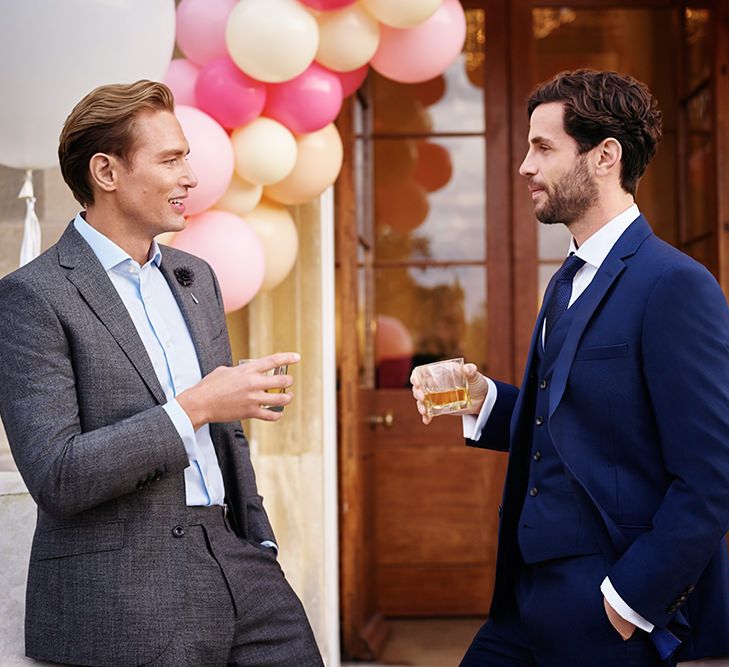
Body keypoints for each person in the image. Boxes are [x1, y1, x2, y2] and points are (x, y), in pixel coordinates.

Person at [411, 69, 729, 666]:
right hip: (523, 598)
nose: (525, 166)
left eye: (543, 147)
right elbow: (567, 424)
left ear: (604, 156)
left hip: (608, 607)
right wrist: (484, 398)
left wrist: (629, 599)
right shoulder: (564, 282)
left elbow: (712, 476)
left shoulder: (676, 285)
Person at [0, 80, 323, 667]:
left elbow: (229, 440)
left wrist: (259, 541)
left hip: (238, 562)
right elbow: (57, 473)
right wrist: (195, 406)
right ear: (106, 171)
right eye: (171, 159)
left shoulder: (195, 277)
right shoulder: (31, 297)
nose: (190, 178)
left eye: (188, 159)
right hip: (124, 590)